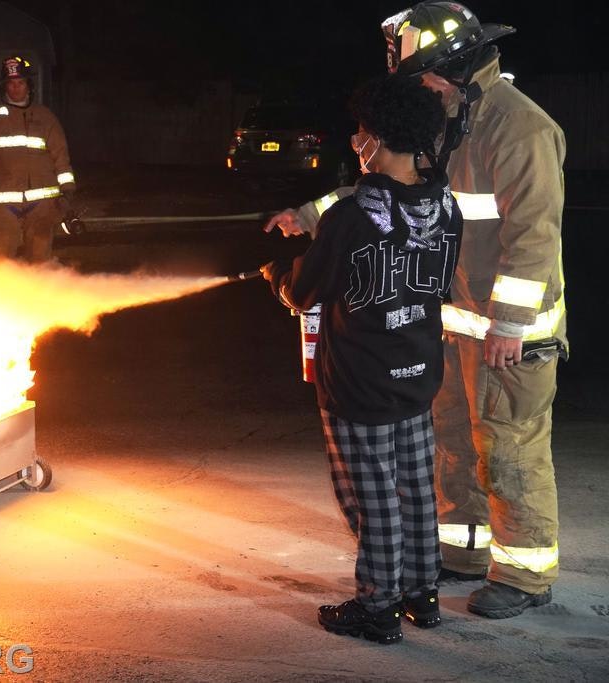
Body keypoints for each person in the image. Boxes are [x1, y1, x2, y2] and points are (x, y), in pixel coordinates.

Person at [266, 2, 567, 619]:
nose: (419, 93)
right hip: (448, 322)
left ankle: (524, 575)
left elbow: (535, 236)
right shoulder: (445, 118)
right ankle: (463, 551)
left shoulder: (520, 129)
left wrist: (509, 326)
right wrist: (311, 214)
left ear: (455, 65)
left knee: (507, 448)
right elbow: (386, 181)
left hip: (509, 333)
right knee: (451, 443)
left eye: (423, 78)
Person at [262, 75, 460, 644]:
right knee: (416, 491)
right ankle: (422, 596)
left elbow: (304, 292)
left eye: (361, 135)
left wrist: (278, 275)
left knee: (370, 498)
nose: (356, 143)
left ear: (379, 139)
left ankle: (378, 608)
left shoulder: (352, 217)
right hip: (418, 372)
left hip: (358, 382)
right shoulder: (444, 206)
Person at [0, 56, 77, 263]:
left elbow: (61, 158)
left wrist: (68, 192)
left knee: (39, 258)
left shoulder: (46, 118)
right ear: (4, 87)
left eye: (20, 83)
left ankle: (37, 293)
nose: (16, 88)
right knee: (1, 258)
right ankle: (0, 293)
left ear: (29, 86)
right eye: (11, 83)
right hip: (3, 205)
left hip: (42, 205)